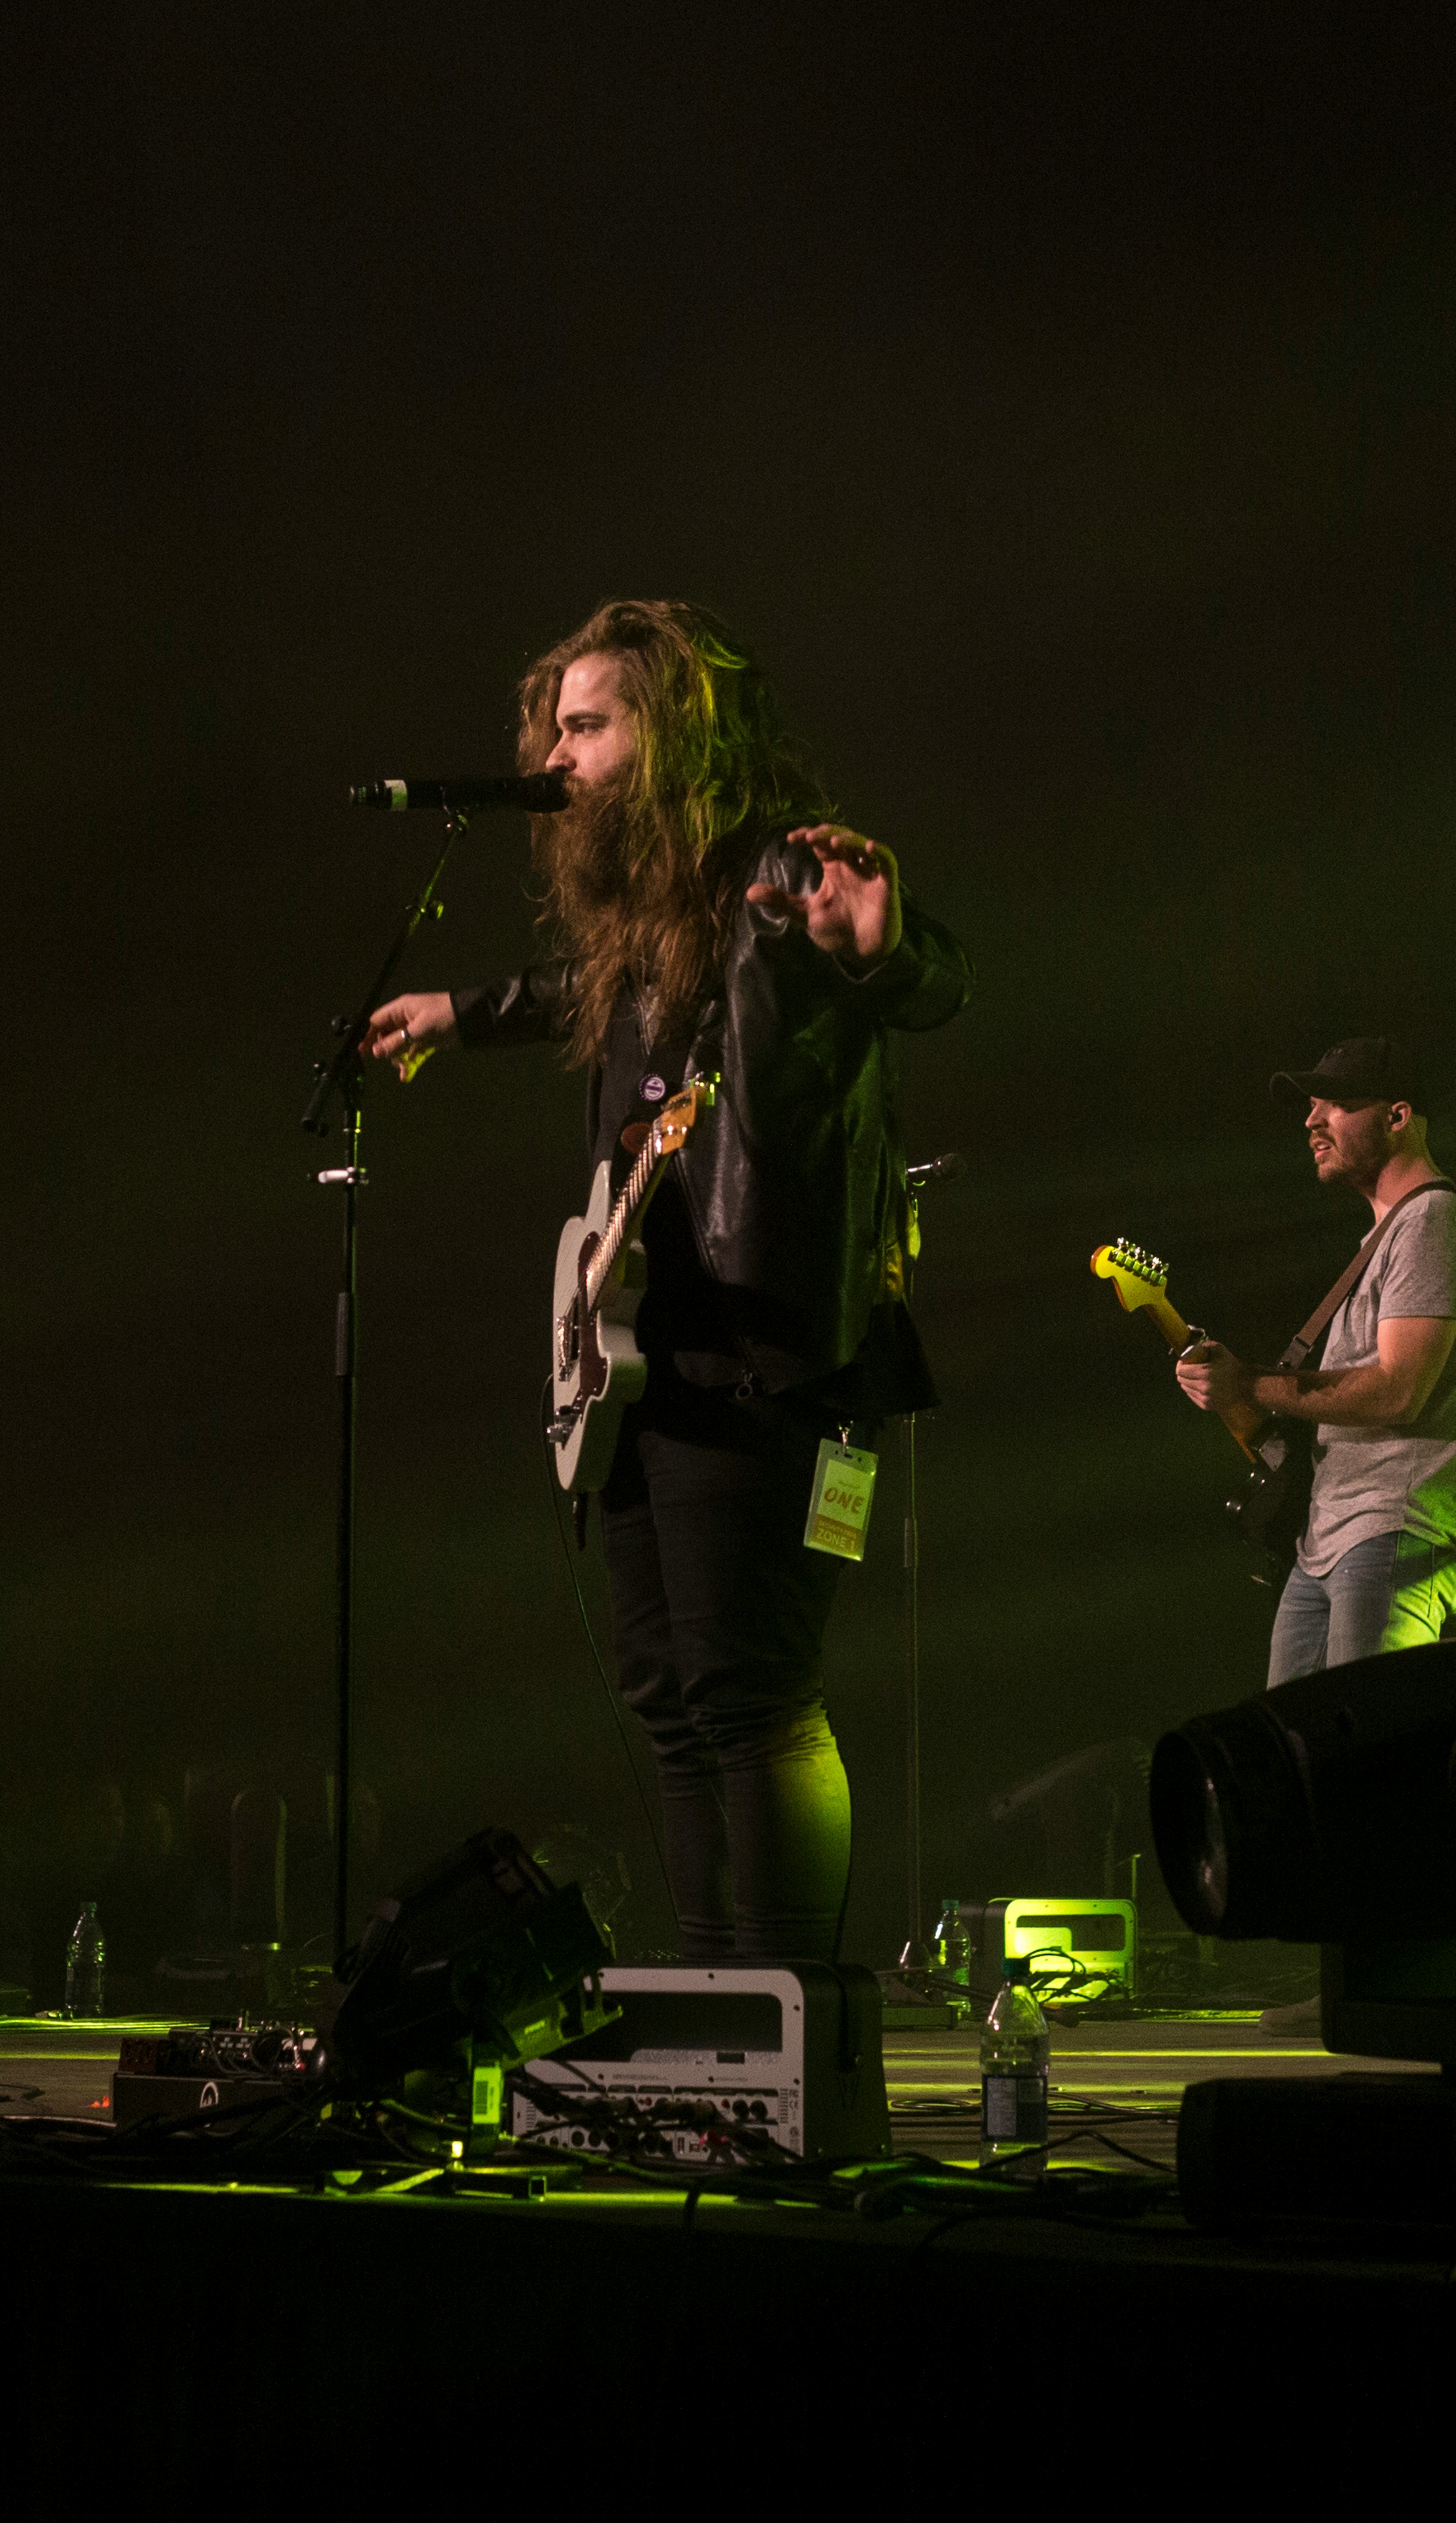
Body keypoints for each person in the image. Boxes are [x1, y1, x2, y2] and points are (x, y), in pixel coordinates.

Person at [362, 599, 968, 1960]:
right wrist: (457, 1013)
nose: (558, 753)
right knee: (666, 1691)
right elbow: (577, 988)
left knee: (750, 1688)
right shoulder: (646, 905)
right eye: (553, 727)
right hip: (650, 1344)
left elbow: (928, 970)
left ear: (671, 731)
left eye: (588, 724)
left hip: (766, 1349)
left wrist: (884, 946)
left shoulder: (772, 870)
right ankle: (718, 2002)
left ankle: (792, 2007)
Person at [1172, 1037, 1456, 1686]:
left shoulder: (1432, 1222)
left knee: (1362, 1765)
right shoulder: (1387, 1239)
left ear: (1398, 1116)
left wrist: (1248, 1381)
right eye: (1309, 1105)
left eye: (1334, 1103)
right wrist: (1235, 1385)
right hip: (1327, 1545)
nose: (1310, 1120)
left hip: (1397, 1533)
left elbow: (1395, 1392)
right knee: (1299, 1765)